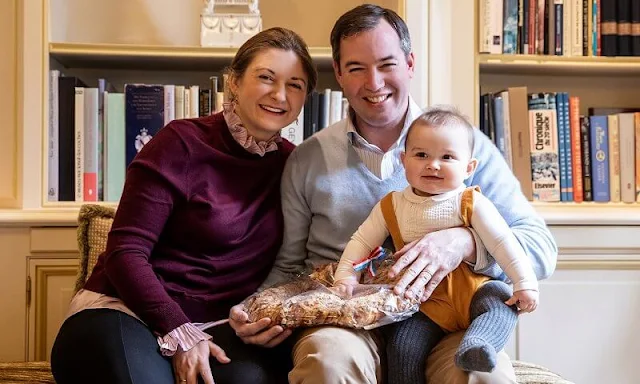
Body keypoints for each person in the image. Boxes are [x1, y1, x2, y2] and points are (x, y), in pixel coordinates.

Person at [229, 4, 557, 384]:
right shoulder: (307, 160)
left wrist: (465, 243)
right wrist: (253, 310)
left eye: (387, 64)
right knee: (328, 363)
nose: (374, 82)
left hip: (444, 320)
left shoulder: (464, 148)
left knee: (484, 376)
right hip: (344, 322)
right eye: (356, 68)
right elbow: (289, 267)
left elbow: (541, 247)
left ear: (410, 63)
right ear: (337, 72)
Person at [50, 27, 317, 384]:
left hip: (219, 324)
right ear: (234, 82)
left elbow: (304, 262)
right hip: (126, 310)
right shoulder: (180, 142)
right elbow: (124, 253)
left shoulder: (296, 166)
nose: (279, 94)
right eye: (266, 77)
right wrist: (179, 331)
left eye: (295, 85)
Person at [332, 106, 539, 383]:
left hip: (474, 291)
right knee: (403, 348)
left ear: (469, 168)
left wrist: (524, 283)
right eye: (421, 155)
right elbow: (361, 241)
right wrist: (346, 275)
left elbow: (503, 243)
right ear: (404, 160)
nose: (433, 164)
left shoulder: (471, 202)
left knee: (501, 303)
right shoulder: (391, 206)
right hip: (423, 303)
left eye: (447, 157)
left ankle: (478, 346)